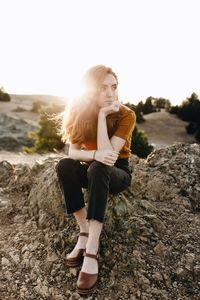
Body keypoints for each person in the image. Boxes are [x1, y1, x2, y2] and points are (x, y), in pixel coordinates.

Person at [56, 65, 136, 295]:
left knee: (99, 168)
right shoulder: (80, 112)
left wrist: (102, 117)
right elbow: (72, 152)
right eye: (103, 88)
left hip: (117, 172)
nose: (111, 93)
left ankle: (92, 249)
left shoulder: (127, 115)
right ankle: (83, 232)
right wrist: (92, 155)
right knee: (64, 166)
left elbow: (109, 158)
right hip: (94, 167)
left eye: (114, 87)